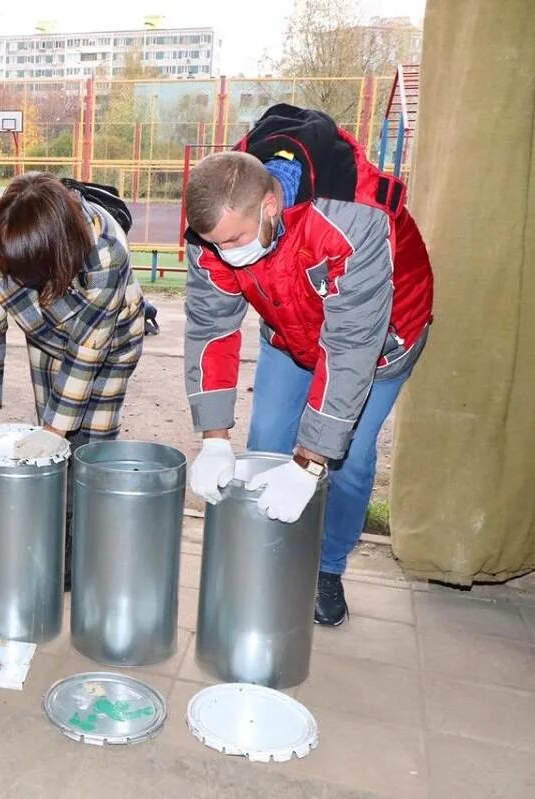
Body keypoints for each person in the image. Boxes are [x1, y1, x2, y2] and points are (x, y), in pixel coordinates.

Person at [181, 104, 434, 626]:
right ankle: (271, 555)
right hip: (290, 327)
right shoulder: (213, 233)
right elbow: (211, 330)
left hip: (379, 340)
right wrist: (212, 437)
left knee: (348, 459)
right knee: (269, 440)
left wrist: (313, 458)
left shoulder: (352, 218)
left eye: (232, 241)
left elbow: (349, 349)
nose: (223, 253)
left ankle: (327, 567)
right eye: (213, 243)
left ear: (270, 204)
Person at [0, 172, 146, 585]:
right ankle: (53, 544)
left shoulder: (105, 251)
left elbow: (88, 352)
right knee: (51, 454)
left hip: (110, 344)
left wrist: (55, 430)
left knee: (88, 449)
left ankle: (89, 553)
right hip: (46, 340)